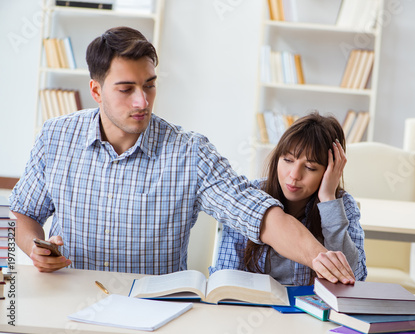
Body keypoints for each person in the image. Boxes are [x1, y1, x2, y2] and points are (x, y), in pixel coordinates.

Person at [10, 26, 354, 284]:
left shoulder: (189, 151)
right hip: (70, 297)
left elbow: (259, 215)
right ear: (96, 91)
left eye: (149, 85)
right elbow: (23, 213)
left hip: (154, 310)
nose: (142, 101)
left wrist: (319, 257)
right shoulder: (55, 137)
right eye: (127, 89)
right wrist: (35, 250)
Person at [210, 112, 367, 285]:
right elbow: (225, 277)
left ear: (331, 170)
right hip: (253, 307)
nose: (294, 175)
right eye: (287, 160)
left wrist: (328, 200)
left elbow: (354, 276)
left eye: (309, 167)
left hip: (312, 309)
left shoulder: (343, 205)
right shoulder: (248, 197)